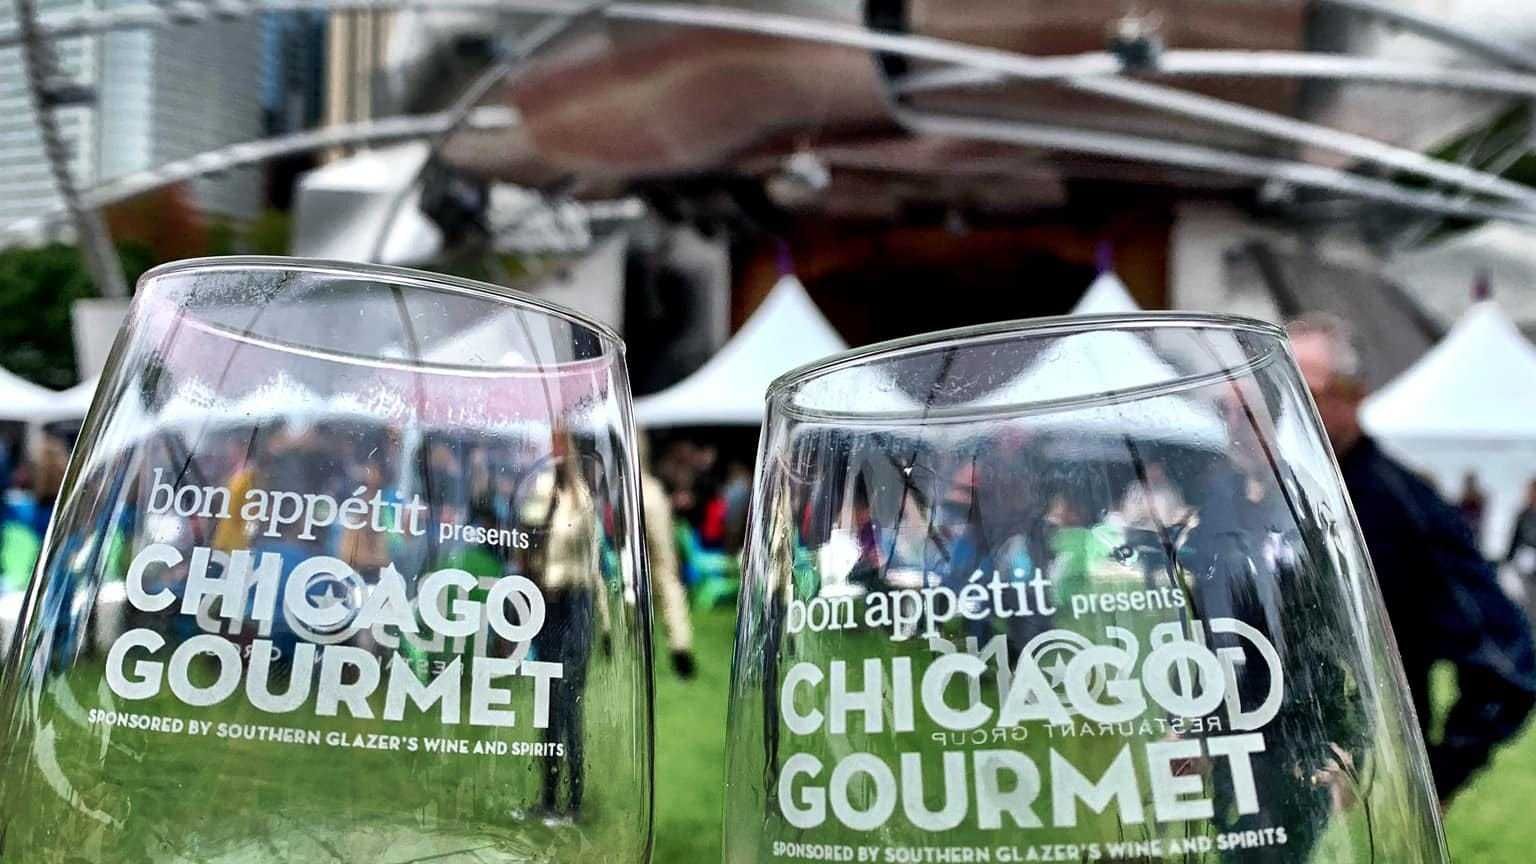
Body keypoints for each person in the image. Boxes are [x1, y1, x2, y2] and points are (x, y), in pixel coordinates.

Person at [1289, 314, 1536, 802]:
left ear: (1354, 393)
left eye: (1308, 391)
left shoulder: (1398, 506)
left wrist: (1432, 782)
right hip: (1262, 777)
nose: (1286, 408)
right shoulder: (1274, 489)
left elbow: (1507, 667)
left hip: (1362, 788)